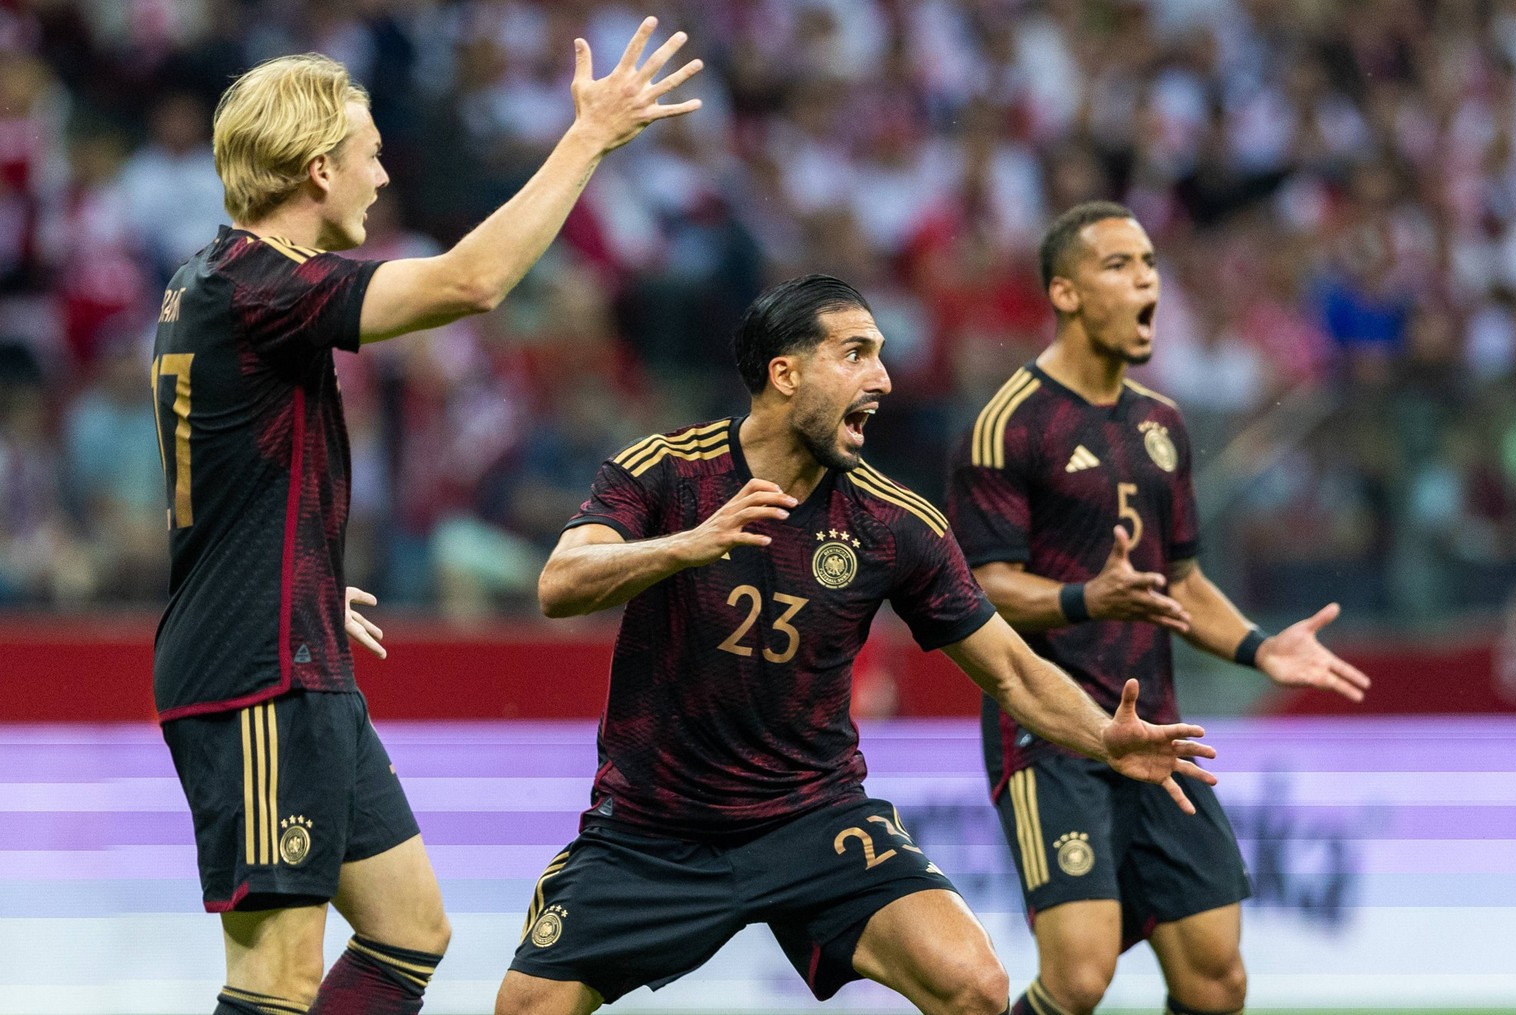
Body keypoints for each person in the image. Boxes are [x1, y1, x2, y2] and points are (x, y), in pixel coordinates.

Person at [149, 20, 701, 1015]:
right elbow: (470, 282)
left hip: (284, 638)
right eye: (369, 152)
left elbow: (228, 469)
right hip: (256, 666)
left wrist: (302, 574)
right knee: (273, 975)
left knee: (409, 928)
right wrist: (587, 140)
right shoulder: (259, 285)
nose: (382, 171)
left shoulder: (212, 283)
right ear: (318, 168)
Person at [495, 274, 1220, 1015]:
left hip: (812, 818)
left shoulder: (895, 521)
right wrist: (689, 544)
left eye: (880, 354)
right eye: (857, 353)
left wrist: (1106, 736)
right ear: (786, 372)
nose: (884, 377)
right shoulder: (668, 469)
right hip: (653, 828)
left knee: (977, 987)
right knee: (524, 1008)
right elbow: (561, 583)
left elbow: (1012, 670)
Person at [944, 201, 1372, 1015]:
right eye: (1119, 265)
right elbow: (979, 588)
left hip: (1157, 727)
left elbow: (1181, 581)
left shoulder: (1161, 422)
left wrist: (1258, 647)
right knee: (1078, 976)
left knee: (1217, 980)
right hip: (1052, 733)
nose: (1146, 280)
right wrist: (1084, 597)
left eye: (1149, 264)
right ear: (1065, 292)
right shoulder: (1007, 425)